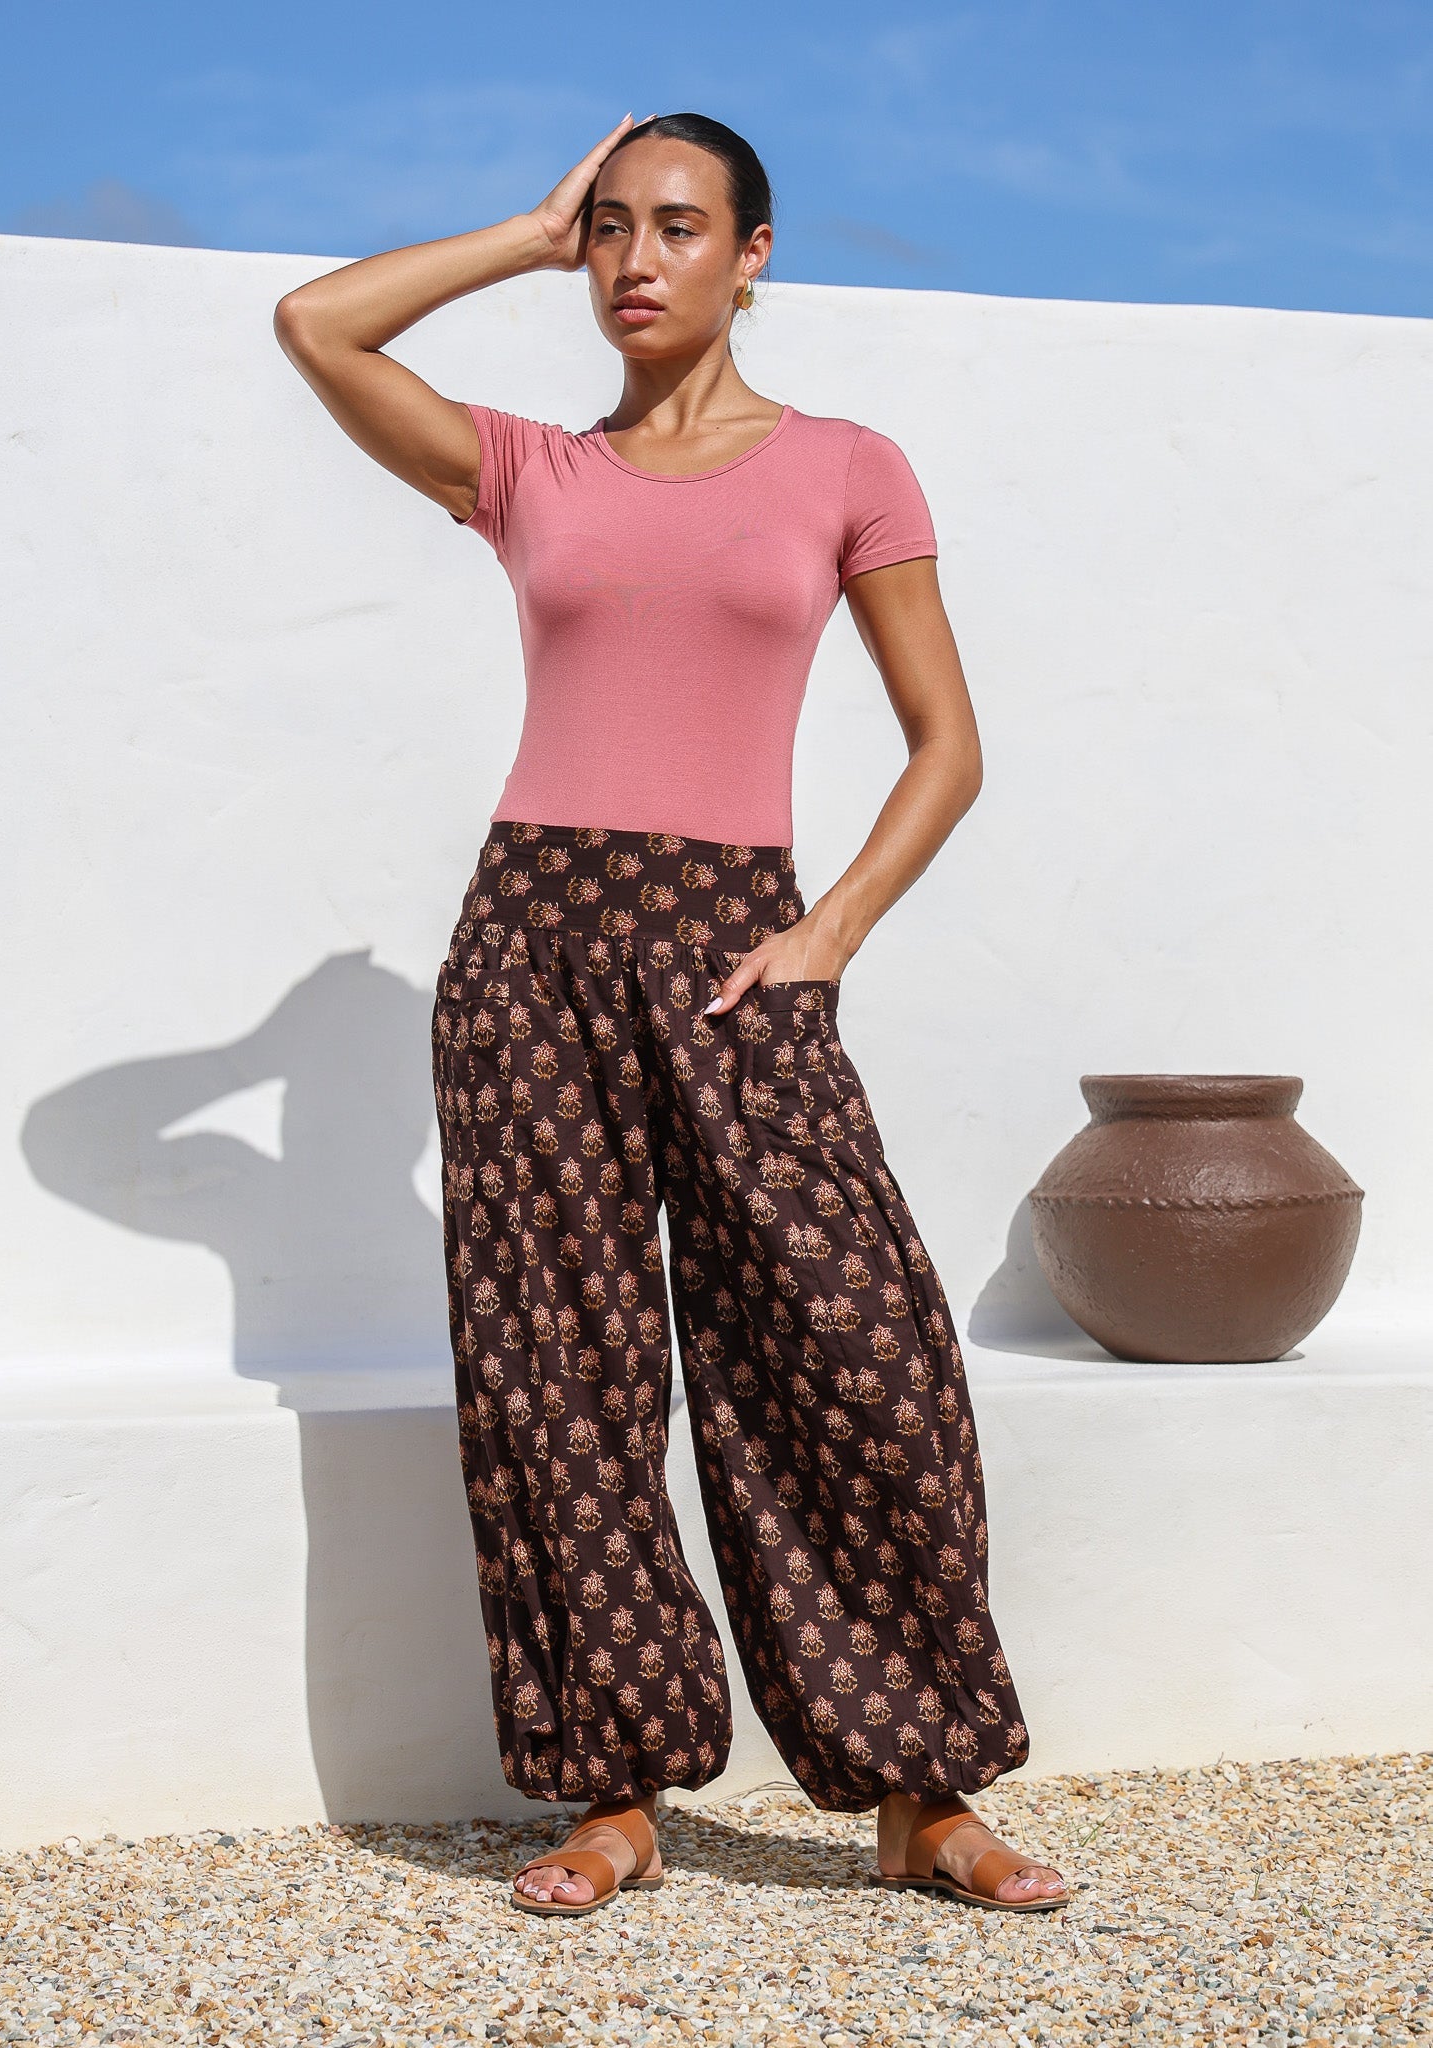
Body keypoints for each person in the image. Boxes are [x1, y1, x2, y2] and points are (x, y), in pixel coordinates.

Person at [274, 110, 1069, 1917]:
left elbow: (947, 750)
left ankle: (917, 1789)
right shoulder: (529, 468)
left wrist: (828, 936)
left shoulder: (849, 465)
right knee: (560, 1372)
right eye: (614, 230)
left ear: (754, 253)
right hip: (532, 937)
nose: (639, 260)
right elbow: (319, 328)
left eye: (680, 226)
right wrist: (524, 226)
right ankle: (615, 1788)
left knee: (851, 1350)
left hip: (735, 933)